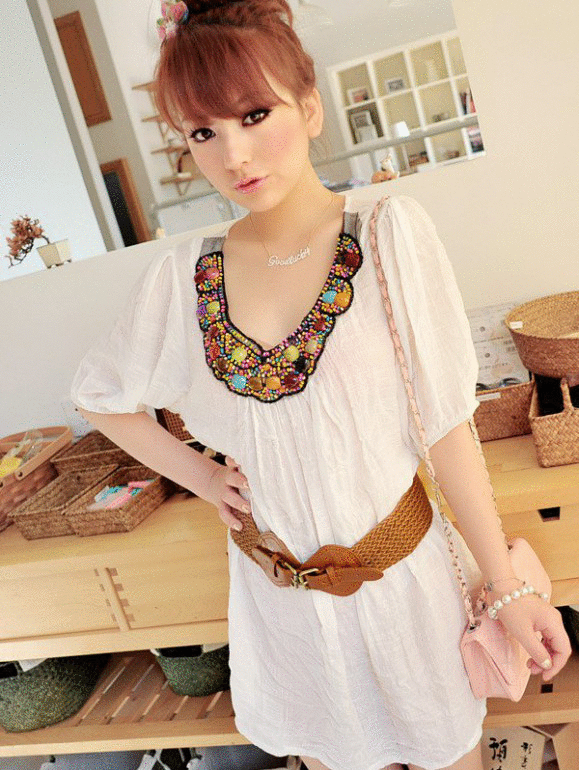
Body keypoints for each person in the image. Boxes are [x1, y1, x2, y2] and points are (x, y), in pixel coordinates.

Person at [71, 2, 571, 769]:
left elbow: (446, 428)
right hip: (284, 610)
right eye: (202, 132)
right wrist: (201, 476)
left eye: (253, 114)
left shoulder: (388, 238)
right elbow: (100, 396)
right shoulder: (179, 280)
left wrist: (505, 589)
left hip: (407, 591)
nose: (233, 153)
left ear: (309, 107)